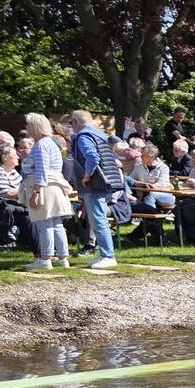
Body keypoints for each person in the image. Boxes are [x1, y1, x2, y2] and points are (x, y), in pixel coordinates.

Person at [68, 109, 123, 269]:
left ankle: (108, 256)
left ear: (75, 122)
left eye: (71, 122)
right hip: (107, 182)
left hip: (94, 184)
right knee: (98, 219)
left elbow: (92, 157)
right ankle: (104, 254)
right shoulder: (100, 134)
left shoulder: (83, 136)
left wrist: (87, 175)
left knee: (98, 220)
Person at [20, 113, 72, 269]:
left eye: (28, 125)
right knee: (57, 224)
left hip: (44, 187)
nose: (27, 128)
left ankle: (45, 259)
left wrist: (36, 193)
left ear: (35, 127)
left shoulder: (41, 145)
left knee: (45, 224)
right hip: (55, 186)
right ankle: (63, 258)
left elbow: (42, 170)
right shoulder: (52, 143)